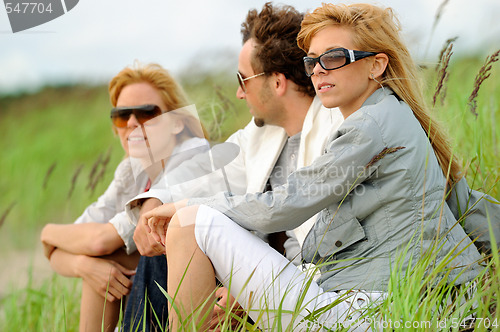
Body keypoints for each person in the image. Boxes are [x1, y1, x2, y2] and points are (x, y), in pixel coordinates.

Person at [144, 3, 500, 331]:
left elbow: (287, 204)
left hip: (369, 310)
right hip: (372, 299)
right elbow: (463, 204)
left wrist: (191, 206)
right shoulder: (388, 117)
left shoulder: (370, 126)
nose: (318, 70)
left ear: (376, 64)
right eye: (312, 61)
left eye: (333, 58)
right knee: (191, 222)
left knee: (191, 224)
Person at [123, 3, 344, 331]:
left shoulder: (337, 131)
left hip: (313, 292)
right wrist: (155, 205)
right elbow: (204, 171)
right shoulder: (261, 135)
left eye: (243, 79)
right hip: (265, 279)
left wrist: (246, 296)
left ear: (278, 83)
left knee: (184, 226)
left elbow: (333, 251)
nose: (239, 93)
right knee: (165, 239)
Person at [40, 62, 207, 332]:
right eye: (121, 116)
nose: (131, 123)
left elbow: (99, 241)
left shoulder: (194, 157)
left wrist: (48, 232)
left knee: (108, 259)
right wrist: (84, 265)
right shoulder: (133, 169)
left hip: (212, 291)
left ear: (177, 122)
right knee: (101, 268)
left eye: (145, 113)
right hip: (161, 282)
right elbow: (68, 247)